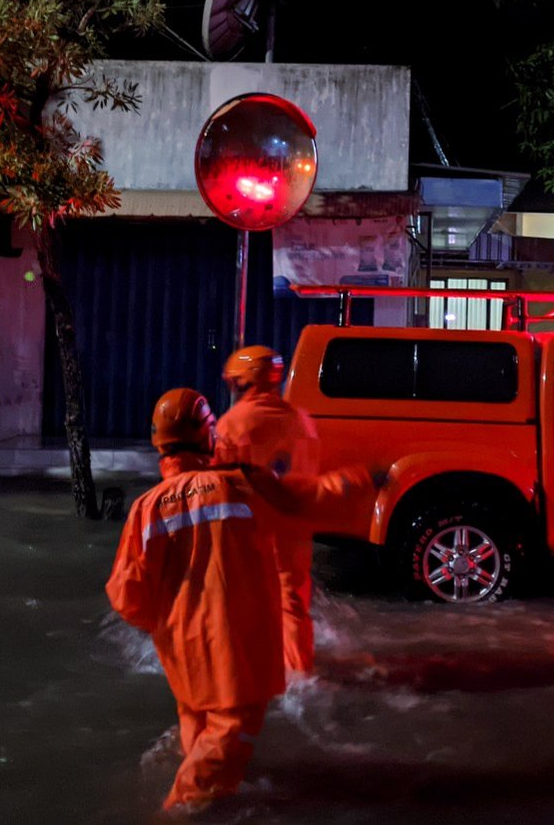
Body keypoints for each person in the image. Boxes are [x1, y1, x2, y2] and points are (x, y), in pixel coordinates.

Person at [106, 388, 369, 815]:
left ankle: (214, 801)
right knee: (230, 732)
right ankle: (175, 811)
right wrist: (359, 482)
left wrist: (169, 623)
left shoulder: (146, 509)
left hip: (181, 650)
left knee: (197, 722)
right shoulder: (244, 483)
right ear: (208, 436)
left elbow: (126, 595)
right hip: (236, 647)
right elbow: (307, 501)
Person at [213, 345, 324, 677]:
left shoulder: (231, 424)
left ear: (244, 382)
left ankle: (244, 672)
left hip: (249, 528)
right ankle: (300, 672)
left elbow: (219, 483)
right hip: (294, 527)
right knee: (293, 605)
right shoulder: (301, 420)